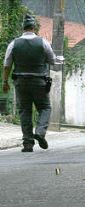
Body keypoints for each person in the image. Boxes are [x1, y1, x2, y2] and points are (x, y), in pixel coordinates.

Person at [2, 14, 55, 152]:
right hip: (39, 81)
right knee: (45, 107)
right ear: (34, 27)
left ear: (23, 28)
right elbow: (52, 60)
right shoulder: (43, 42)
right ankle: (40, 132)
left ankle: (27, 143)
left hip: (20, 82)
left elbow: (7, 65)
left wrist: (5, 81)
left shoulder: (14, 44)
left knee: (24, 111)